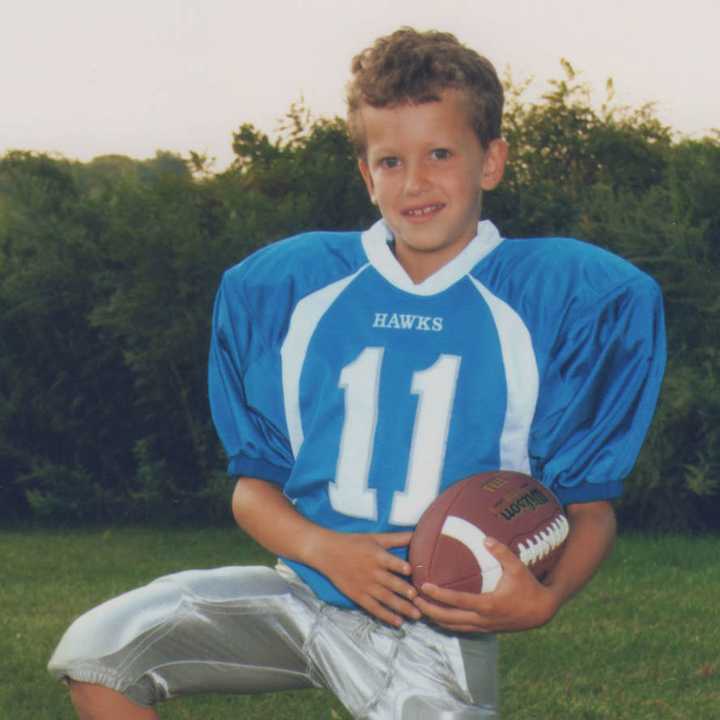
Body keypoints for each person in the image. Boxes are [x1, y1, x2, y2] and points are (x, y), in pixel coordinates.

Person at [48, 27, 666, 719]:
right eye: (391, 161)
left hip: (438, 623)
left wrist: (546, 598)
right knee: (101, 651)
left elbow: (590, 510)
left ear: (491, 161)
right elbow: (253, 492)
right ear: (367, 175)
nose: (416, 181)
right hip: (303, 591)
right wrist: (325, 550)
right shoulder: (298, 290)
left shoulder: (553, 298)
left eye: (440, 153)